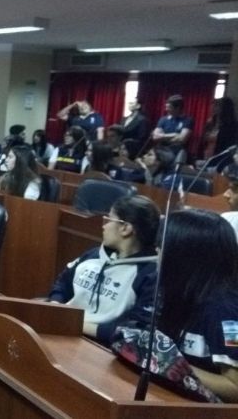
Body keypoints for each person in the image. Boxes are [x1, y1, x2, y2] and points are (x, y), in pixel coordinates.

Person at [48, 195, 160, 344]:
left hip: (100, 347)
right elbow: (62, 284)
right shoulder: (93, 254)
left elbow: (135, 331)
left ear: (125, 228)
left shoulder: (149, 274)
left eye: (109, 220)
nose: (104, 226)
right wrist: (55, 305)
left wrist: (74, 324)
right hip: (61, 328)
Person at [156, 210, 238, 402]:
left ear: (183, 258)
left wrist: (170, 367)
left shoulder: (228, 317)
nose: (156, 252)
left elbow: (235, 387)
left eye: (162, 247)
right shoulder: (175, 293)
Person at [152, 94, 193, 159]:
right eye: (166, 107)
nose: (166, 109)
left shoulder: (187, 120)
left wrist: (162, 136)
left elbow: (182, 139)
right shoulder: (163, 119)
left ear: (178, 108)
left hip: (176, 153)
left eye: (169, 107)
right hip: (160, 150)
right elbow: (155, 137)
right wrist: (174, 135)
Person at [200, 97, 237, 168]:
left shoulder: (233, 126)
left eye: (217, 106)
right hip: (207, 157)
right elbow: (204, 140)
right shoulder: (210, 122)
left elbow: (231, 146)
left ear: (225, 109)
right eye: (214, 105)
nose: (213, 108)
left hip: (222, 160)